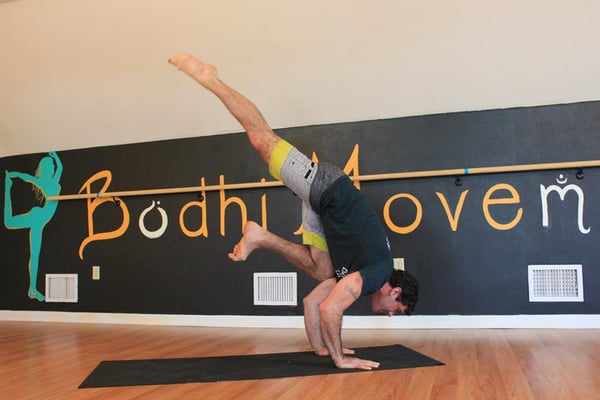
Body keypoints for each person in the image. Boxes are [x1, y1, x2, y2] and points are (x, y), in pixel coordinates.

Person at [168, 54, 419, 370]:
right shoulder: (376, 275)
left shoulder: (365, 269)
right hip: (326, 187)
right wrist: (341, 359)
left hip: (324, 208)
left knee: (322, 271)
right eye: (397, 308)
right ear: (394, 291)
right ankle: (210, 78)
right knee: (262, 139)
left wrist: (322, 349)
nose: (390, 314)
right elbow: (331, 310)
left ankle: (260, 236)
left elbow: (313, 303)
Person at [4, 151, 63, 301]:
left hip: (40, 220)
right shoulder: (44, 182)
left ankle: (32, 289)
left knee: (34, 254)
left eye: (53, 165)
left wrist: (55, 156)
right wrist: (13, 174)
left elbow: (61, 168)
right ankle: (7, 187)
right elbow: (27, 177)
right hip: (38, 217)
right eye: (50, 165)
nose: (53, 167)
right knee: (9, 223)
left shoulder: (54, 181)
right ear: (45, 169)